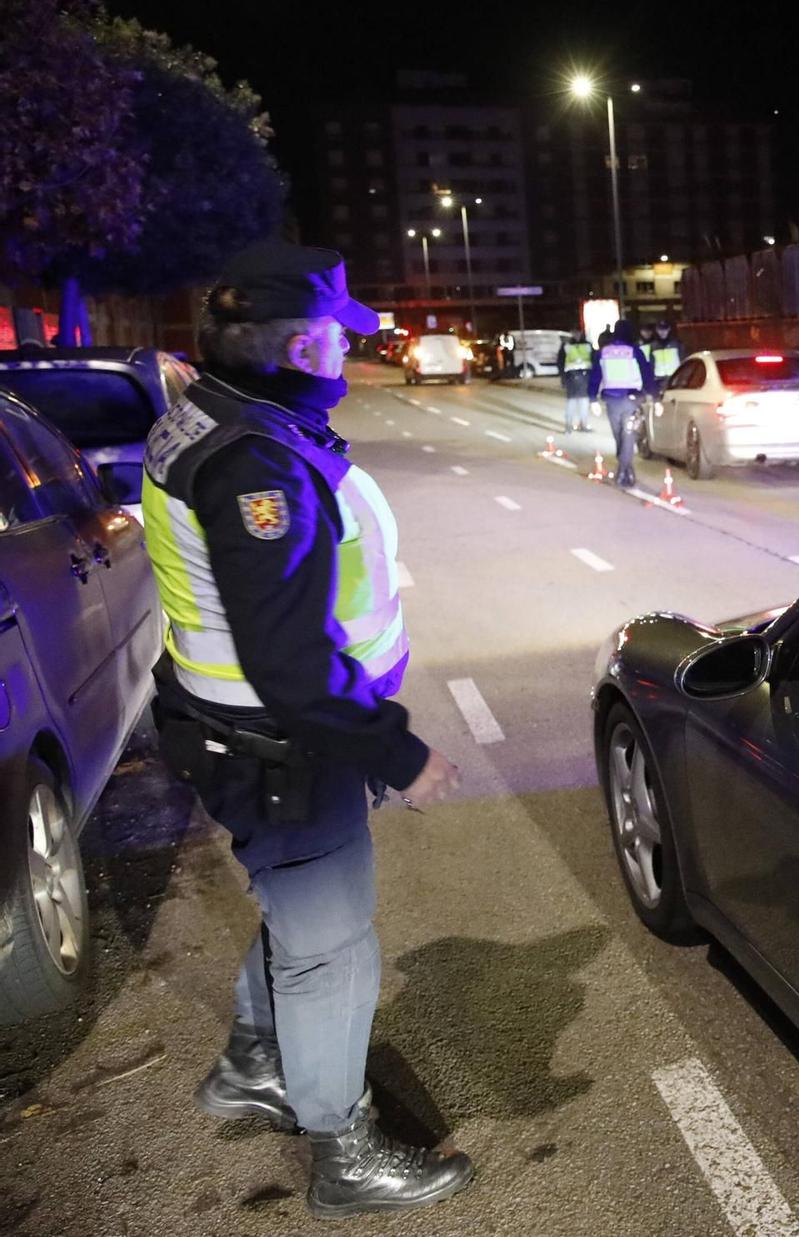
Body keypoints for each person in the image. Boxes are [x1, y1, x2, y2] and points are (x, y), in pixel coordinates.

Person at [144, 242, 472, 1220]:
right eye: (335, 339)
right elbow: (292, 664)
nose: (345, 356)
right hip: (281, 746)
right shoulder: (255, 464)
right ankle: (345, 1149)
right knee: (332, 947)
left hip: (223, 725)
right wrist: (402, 754)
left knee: (298, 913)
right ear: (294, 344)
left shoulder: (206, 415)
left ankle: (253, 1061)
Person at [589, 318, 654, 487]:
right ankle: (625, 470)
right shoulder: (635, 351)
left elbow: (595, 376)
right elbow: (647, 374)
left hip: (612, 401)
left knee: (619, 437)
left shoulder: (603, 352)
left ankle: (623, 471)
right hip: (632, 400)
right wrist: (653, 395)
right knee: (628, 436)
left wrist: (592, 398)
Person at [560, 329, 593, 432]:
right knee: (573, 402)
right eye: (575, 333)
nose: (577, 334)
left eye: (578, 332)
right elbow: (561, 363)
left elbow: (560, 363)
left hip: (580, 378)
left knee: (582, 402)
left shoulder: (567, 346)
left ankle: (580, 424)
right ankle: (569, 425)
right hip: (575, 377)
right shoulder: (568, 346)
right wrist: (563, 378)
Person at [648, 320, 683, 389]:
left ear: (669, 329)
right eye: (660, 329)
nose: (663, 332)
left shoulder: (676, 344)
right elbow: (651, 363)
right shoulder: (653, 346)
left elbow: (683, 359)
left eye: (665, 329)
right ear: (657, 330)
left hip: (674, 378)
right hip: (659, 380)